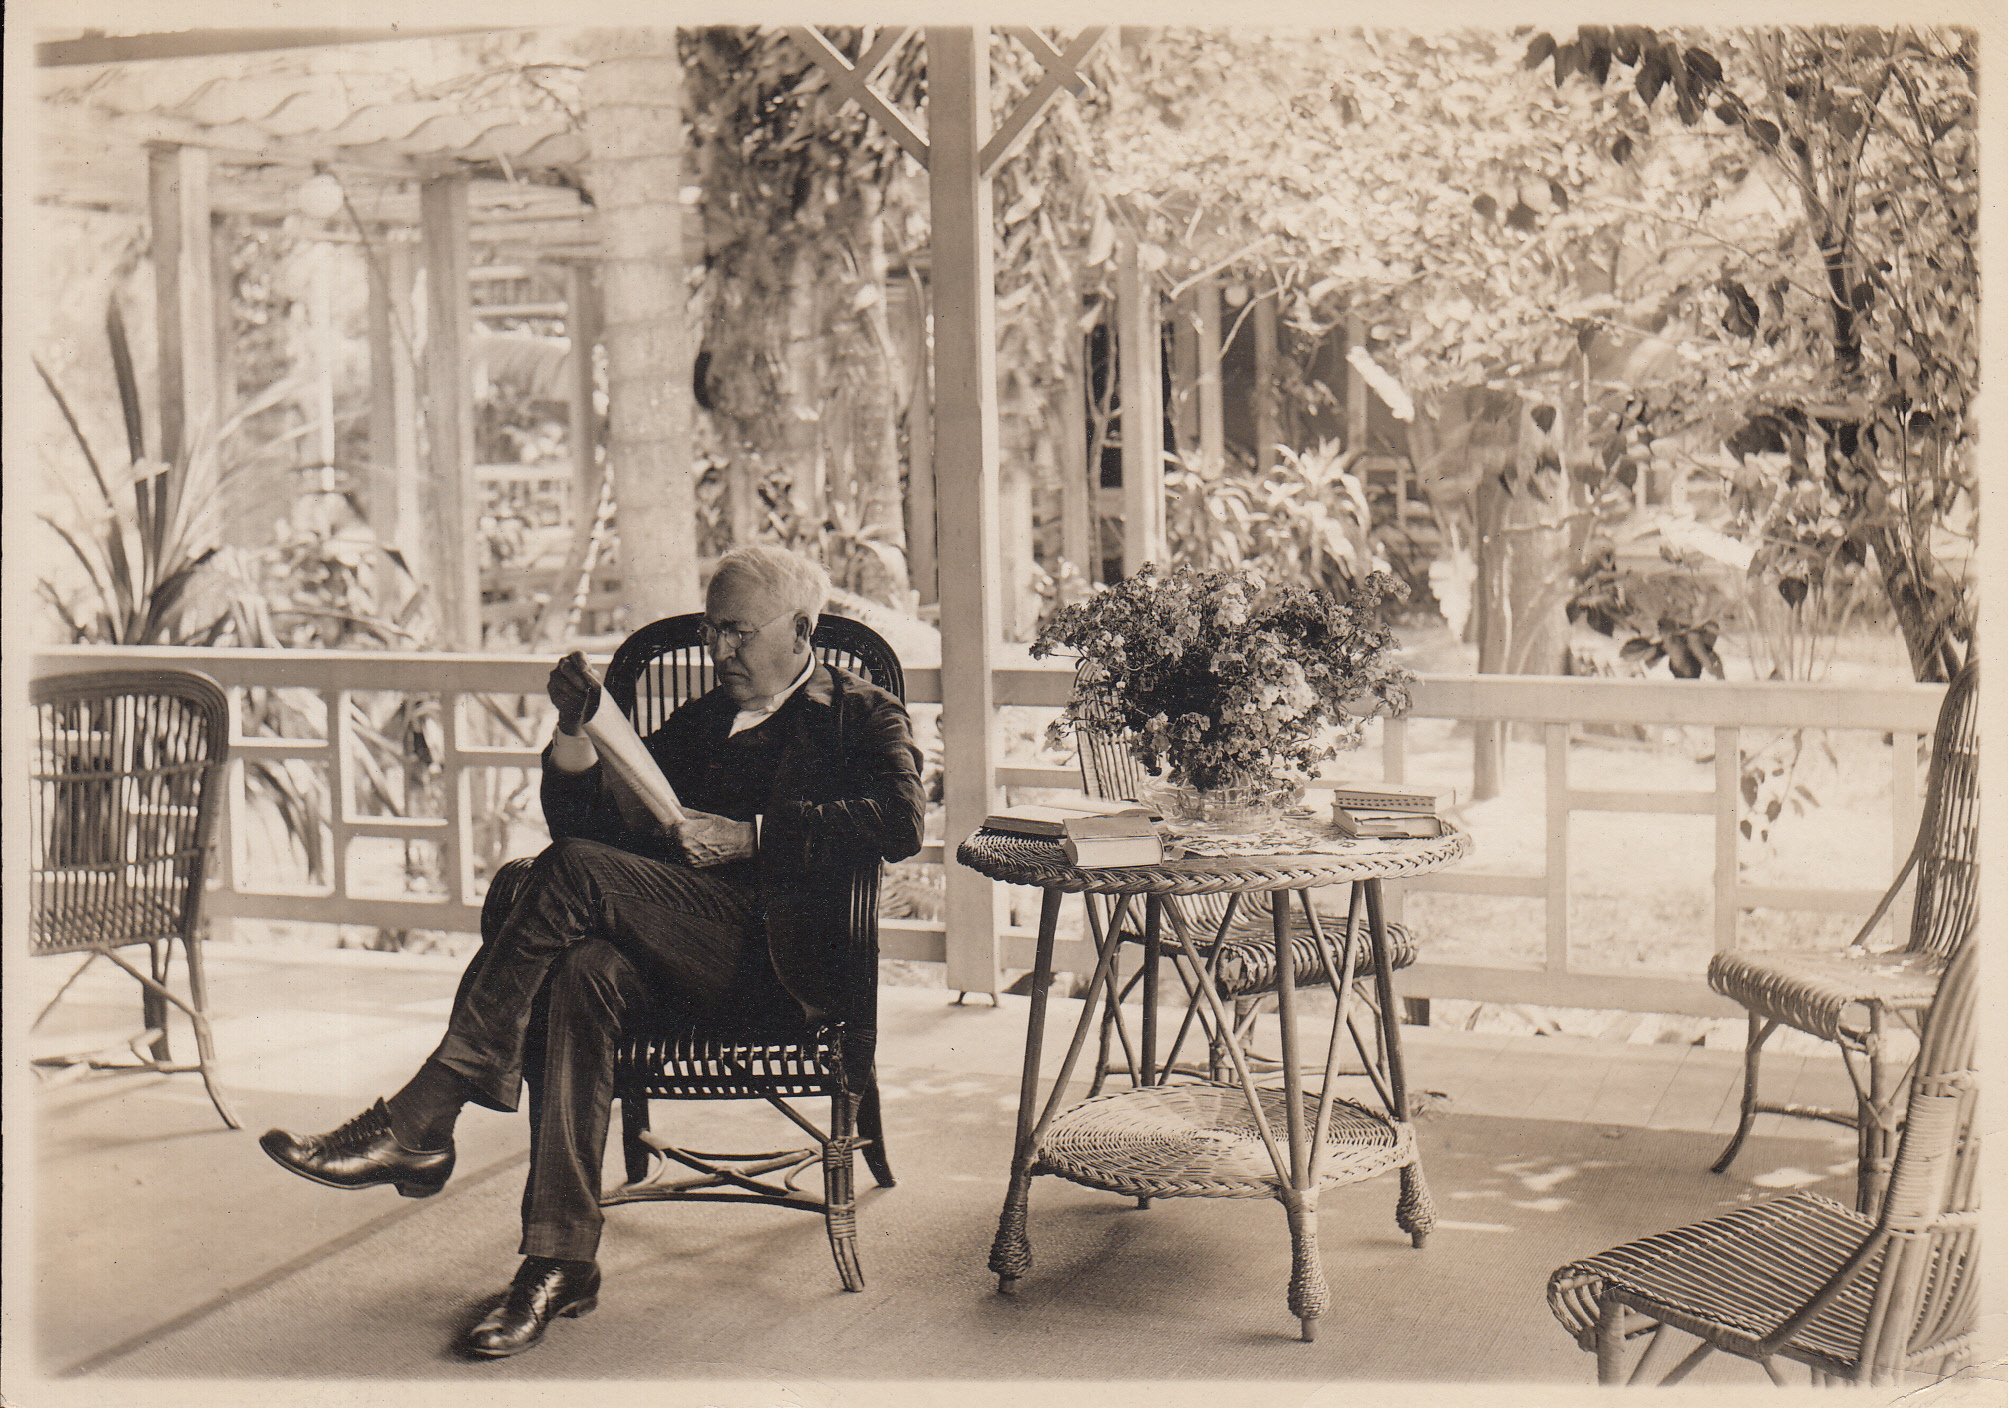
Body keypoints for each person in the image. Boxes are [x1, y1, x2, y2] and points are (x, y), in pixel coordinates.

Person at [259, 545, 925, 1358]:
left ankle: (427, 1113)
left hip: (779, 965)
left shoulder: (861, 713)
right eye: (712, 631)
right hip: (673, 953)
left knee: (556, 881)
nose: (717, 653)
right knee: (580, 968)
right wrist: (576, 734)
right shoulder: (705, 720)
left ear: (801, 630)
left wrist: (751, 836)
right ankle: (559, 1259)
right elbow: (589, 830)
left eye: (736, 634)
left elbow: (901, 822)